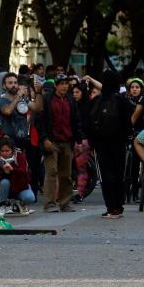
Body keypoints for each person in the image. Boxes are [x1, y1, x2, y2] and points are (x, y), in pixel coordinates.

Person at [84, 71, 130, 218]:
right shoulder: (122, 101)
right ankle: (118, 206)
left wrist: (91, 143)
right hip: (119, 143)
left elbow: (88, 124)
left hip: (100, 144)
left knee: (105, 175)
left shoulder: (95, 101)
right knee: (118, 173)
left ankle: (111, 207)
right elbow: (128, 123)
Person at [36, 73, 84, 213]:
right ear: (56, 85)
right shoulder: (47, 99)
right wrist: (45, 139)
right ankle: (50, 204)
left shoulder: (70, 100)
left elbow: (76, 121)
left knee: (66, 174)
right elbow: (40, 121)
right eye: (61, 83)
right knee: (51, 172)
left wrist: (79, 141)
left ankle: (65, 203)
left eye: (66, 84)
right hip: (52, 141)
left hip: (67, 141)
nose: (64, 86)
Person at [0, 136, 35, 215]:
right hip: (5, 189)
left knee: (30, 198)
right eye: (2, 151)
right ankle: (2, 206)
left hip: (20, 187)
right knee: (4, 182)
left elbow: (24, 171)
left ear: (12, 150)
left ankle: (19, 204)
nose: (4, 153)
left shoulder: (19, 156)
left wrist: (12, 169)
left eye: (7, 151)